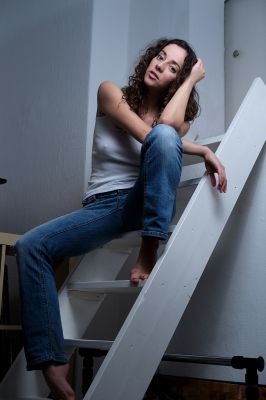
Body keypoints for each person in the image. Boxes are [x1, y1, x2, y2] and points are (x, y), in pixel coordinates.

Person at [15, 38, 227, 399]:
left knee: (166, 134)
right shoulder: (111, 93)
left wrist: (191, 81)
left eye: (173, 67)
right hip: (102, 207)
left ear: (178, 81)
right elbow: (149, 135)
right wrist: (203, 148)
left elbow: (165, 131)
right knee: (30, 245)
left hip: (143, 198)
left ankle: (150, 245)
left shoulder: (179, 120)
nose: (160, 65)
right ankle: (52, 362)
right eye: (160, 56)